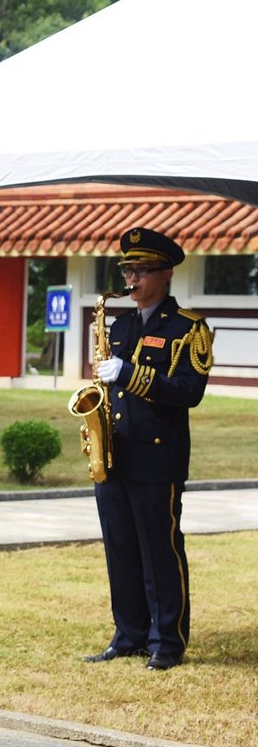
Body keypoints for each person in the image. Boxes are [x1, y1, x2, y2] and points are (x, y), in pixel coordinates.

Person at [82, 227, 214, 671]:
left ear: (166, 273)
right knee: (120, 548)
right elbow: (110, 388)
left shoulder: (188, 329)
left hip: (158, 458)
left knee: (160, 548)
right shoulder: (119, 325)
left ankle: (167, 641)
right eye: (127, 270)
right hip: (115, 455)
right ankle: (129, 634)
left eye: (140, 270)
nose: (131, 279)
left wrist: (128, 373)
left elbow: (187, 391)